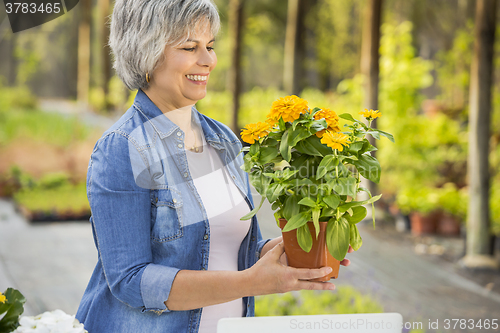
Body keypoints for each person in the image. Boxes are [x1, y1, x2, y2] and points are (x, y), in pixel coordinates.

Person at [75, 0, 352, 332]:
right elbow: (132, 280)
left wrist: (295, 249)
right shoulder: (124, 147)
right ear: (146, 54)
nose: (208, 60)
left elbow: (228, 250)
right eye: (190, 47)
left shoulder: (221, 139)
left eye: (210, 46)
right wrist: (251, 282)